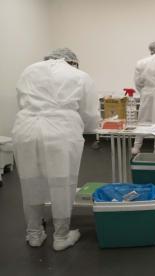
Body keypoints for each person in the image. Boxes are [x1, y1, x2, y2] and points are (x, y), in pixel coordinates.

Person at [12, 48, 100, 251]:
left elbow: (21, 102)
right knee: (62, 182)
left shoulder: (29, 70)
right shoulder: (79, 75)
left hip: (25, 127)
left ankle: (34, 234)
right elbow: (88, 113)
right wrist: (90, 128)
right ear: (73, 61)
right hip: (60, 130)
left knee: (30, 180)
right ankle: (61, 237)